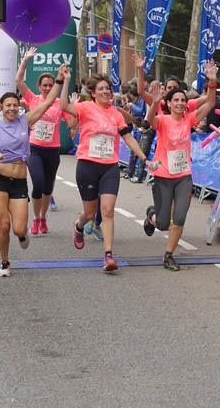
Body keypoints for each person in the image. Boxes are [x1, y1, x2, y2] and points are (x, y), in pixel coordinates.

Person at [62, 74, 158, 272]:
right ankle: (79, 226)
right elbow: (64, 106)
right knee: (90, 212)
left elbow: (128, 138)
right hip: (88, 165)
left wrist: (144, 159)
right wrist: (64, 82)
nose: (105, 92)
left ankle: (108, 255)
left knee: (107, 210)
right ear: (93, 93)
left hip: (109, 167)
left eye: (108, 88)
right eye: (101, 89)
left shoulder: (116, 114)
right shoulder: (85, 108)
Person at [0, 66, 65, 277]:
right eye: (8, 105)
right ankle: (5, 262)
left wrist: (60, 80)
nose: (11, 109)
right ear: (2, 106)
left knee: (18, 229)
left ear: (19, 106)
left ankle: (23, 235)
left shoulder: (25, 121)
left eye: (15, 105)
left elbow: (47, 102)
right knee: (4, 225)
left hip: (19, 181)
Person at [141, 62, 217, 270]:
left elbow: (210, 103)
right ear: (170, 103)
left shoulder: (190, 119)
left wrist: (212, 80)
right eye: (176, 100)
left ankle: (168, 255)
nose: (181, 103)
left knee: (180, 217)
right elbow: (149, 120)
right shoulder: (163, 120)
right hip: (163, 176)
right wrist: (155, 103)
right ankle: (152, 215)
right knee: (163, 223)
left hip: (184, 175)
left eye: (183, 100)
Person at [14, 49, 70, 235]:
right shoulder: (32, 99)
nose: (47, 88)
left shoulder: (59, 104)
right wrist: (25, 60)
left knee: (47, 188)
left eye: (50, 85)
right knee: (37, 183)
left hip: (53, 151)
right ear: (39, 86)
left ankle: (43, 217)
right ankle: (36, 217)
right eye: (44, 85)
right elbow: (18, 81)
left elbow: (71, 123)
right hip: (35, 148)